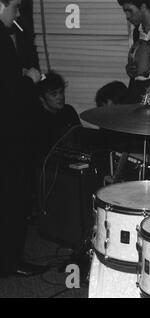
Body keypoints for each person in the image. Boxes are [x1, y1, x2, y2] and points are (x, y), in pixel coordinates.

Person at [0, 0, 49, 277]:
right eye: (15, 7)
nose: (18, 14)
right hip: (9, 134)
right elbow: (11, 93)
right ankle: (11, 262)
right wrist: (29, 78)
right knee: (14, 197)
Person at [34, 71, 81, 160]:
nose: (60, 97)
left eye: (61, 92)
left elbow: (80, 138)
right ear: (41, 98)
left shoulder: (69, 111)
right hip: (48, 165)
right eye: (54, 94)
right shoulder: (37, 119)